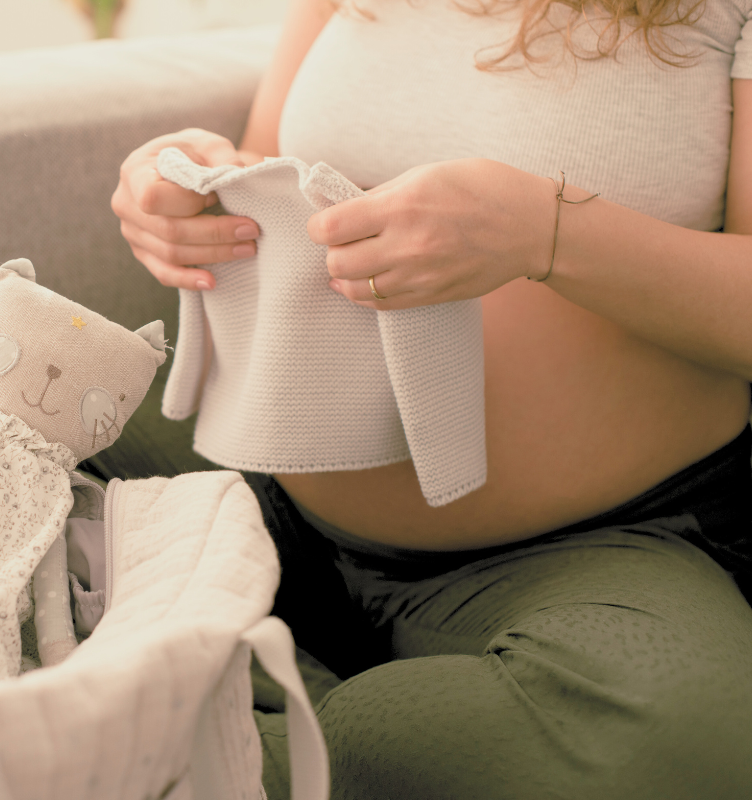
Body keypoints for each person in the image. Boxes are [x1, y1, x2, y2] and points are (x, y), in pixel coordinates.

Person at [110, 0, 752, 796]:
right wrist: (182, 190)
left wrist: (544, 232)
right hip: (262, 480)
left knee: (676, 741)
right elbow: (267, 163)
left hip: (595, 547)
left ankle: (219, 720)